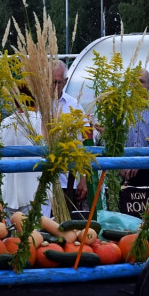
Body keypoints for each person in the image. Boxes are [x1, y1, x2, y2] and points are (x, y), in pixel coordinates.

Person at [51, 60, 87, 212]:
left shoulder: (75, 106)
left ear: (65, 82)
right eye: (51, 82)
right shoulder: (37, 105)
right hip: (39, 178)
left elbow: (83, 144)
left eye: (58, 82)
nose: (54, 86)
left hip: (67, 181)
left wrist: (83, 178)